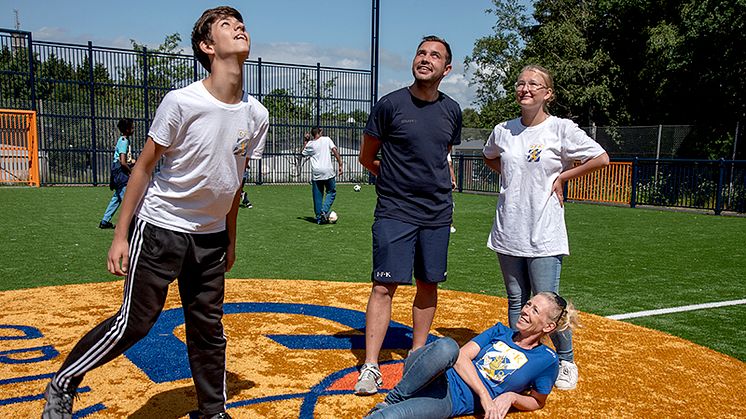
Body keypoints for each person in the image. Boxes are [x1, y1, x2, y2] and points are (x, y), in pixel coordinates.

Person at [41, 6, 269, 419]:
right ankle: (64, 383)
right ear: (206, 46)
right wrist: (120, 234)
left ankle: (212, 411)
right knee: (136, 323)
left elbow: (234, 181)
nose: (239, 28)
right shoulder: (181, 101)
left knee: (208, 331)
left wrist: (230, 237)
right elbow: (143, 168)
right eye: (225, 25)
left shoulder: (257, 115)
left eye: (240, 23)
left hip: (211, 237)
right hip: (162, 227)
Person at [481, 64, 609, 391]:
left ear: (547, 93)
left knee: (548, 303)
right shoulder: (503, 130)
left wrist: (562, 177)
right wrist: (513, 178)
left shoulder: (560, 129)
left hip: (544, 231)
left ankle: (565, 359)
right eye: (520, 83)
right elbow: (490, 156)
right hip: (509, 227)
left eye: (534, 84)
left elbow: (600, 158)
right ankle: (520, 359)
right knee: (516, 300)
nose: (525, 89)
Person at [356, 35, 462, 395]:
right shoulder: (389, 105)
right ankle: (370, 366)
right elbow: (367, 157)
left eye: (434, 55)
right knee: (384, 285)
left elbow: (440, 154)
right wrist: (394, 182)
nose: (425, 59)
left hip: (436, 213)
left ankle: (416, 356)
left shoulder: (452, 111)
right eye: (421, 52)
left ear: (446, 69)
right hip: (395, 212)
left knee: (428, 283)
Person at [364, 292, 579, 419]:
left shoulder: (547, 361)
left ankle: (387, 409)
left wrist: (512, 397)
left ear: (549, 326)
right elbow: (459, 357)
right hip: (434, 373)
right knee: (448, 347)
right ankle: (392, 399)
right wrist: (485, 396)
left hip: (451, 400)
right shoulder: (499, 331)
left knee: (390, 417)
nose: (525, 310)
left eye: (535, 311)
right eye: (528, 304)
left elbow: (537, 401)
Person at [99, 118, 135, 229]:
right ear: (127, 129)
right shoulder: (124, 141)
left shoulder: (123, 140)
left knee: (117, 197)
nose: (134, 129)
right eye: (132, 127)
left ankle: (105, 221)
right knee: (126, 198)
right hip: (120, 171)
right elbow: (123, 161)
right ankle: (128, 224)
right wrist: (131, 171)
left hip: (117, 170)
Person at [302, 127, 343, 224]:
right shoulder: (327, 139)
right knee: (331, 192)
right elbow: (335, 151)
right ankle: (324, 211)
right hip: (328, 171)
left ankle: (319, 219)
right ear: (320, 132)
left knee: (317, 196)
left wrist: (306, 140)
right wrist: (340, 164)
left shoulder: (311, 144)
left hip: (317, 173)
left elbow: (303, 153)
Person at [447, 152, 456, 233]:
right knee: (449, 203)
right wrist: (453, 180)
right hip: (444, 181)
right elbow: (449, 165)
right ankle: (449, 224)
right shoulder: (445, 151)